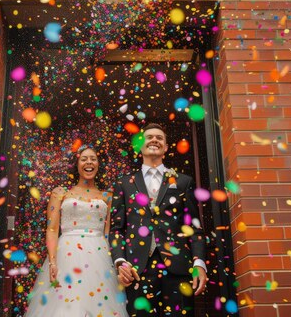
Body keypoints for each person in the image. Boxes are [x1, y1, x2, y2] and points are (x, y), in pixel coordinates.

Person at [109, 123, 209, 316]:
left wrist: (199, 264)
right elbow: (116, 229)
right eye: (149, 137)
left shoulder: (183, 181)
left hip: (178, 268)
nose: (154, 140)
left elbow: (194, 229)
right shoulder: (123, 183)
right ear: (140, 145)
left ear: (165, 147)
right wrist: (120, 261)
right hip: (138, 269)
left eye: (159, 138)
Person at [25, 146, 128, 317]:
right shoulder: (60, 193)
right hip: (67, 255)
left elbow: (109, 233)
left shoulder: (108, 196)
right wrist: (52, 262)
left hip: (99, 256)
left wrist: (115, 264)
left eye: (93, 159)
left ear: (99, 164)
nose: (89, 162)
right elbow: (51, 229)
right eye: (84, 159)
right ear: (77, 164)